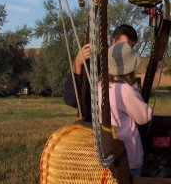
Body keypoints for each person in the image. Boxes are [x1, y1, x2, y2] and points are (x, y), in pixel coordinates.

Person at [64, 24, 139, 122]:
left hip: (120, 129)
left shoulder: (128, 70)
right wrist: (77, 63)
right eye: (122, 46)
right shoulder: (93, 64)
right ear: (112, 41)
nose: (125, 52)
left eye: (129, 49)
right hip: (92, 125)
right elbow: (71, 100)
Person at [98, 41, 151, 176]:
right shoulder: (125, 89)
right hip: (127, 154)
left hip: (108, 150)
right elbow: (143, 118)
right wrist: (135, 90)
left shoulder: (100, 86)